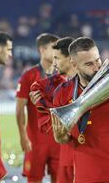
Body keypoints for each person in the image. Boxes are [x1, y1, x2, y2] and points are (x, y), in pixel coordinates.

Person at [52, 37, 109, 183]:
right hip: (85, 176)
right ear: (74, 64)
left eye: (98, 60)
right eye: (89, 64)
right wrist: (59, 136)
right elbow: (63, 139)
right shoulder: (62, 93)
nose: (96, 67)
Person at [30, 37, 76, 183]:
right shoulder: (58, 87)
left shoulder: (89, 84)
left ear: (70, 59)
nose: (54, 63)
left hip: (84, 155)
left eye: (57, 58)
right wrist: (39, 102)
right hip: (66, 153)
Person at [16, 33, 59, 183]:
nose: (56, 52)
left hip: (59, 139)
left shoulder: (63, 76)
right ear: (41, 50)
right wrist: (23, 136)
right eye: (54, 48)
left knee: (61, 179)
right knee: (34, 180)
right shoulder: (29, 76)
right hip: (35, 140)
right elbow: (20, 109)